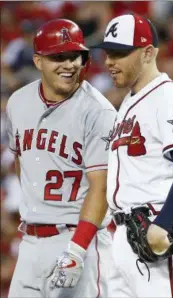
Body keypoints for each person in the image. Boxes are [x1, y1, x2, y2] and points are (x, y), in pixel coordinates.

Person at [6, 19, 116, 298]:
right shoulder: (18, 102)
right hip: (30, 241)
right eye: (58, 57)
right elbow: (23, 164)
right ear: (38, 61)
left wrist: (77, 250)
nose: (68, 65)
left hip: (77, 240)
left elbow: (100, 187)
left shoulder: (98, 111)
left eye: (74, 56)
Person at [93, 14, 173, 297]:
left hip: (155, 230)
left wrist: (162, 224)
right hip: (123, 237)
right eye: (108, 53)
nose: (109, 61)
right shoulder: (127, 104)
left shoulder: (168, 97)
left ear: (148, 52)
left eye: (119, 53)